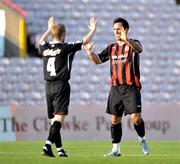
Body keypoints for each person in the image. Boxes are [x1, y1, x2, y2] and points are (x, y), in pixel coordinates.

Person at [83, 17, 149, 157]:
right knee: (114, 120)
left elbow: (139, 49)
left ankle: (142, 139)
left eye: (118, 29)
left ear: (125, 29)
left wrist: (127, 39)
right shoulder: (111, 48)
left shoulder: (133, 44)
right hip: (115, 88)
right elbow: (98, 61)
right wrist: (89, 52)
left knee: (136, 118)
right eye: (114, 30)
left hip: (131, 87)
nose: (116, 32)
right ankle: (115, 150)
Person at [38, 16, 97, 157]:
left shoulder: (45, 47)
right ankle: (47, 145)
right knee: (59, 119)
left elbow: (41, 41)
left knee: (54, 120)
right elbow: (85, 41)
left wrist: (48, 29)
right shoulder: (65, 47)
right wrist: (93, 30)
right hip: (61, 85)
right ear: (63, 34)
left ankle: (59, 150)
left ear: (52, 33)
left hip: (48, 87)